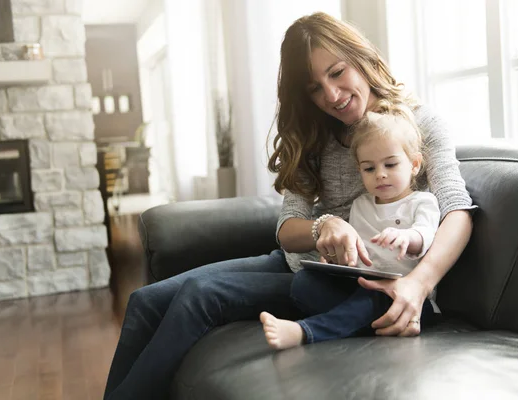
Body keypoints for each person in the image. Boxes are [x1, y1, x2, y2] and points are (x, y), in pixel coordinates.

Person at [103, 12, 475, 400]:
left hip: (346, 283)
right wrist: (324, 225)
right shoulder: (316, 132)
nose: (331, 96)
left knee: (200, 293)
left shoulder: (420, 124)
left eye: (337, 72)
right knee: (144, 301)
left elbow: (457, 211)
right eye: (315, 87)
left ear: (360, 57)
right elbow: (288, 228)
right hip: (300, 263)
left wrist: (418, 284)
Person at [260, 108, 441, 349]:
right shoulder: (361, 205)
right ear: (360, 171)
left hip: (404, 297)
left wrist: (407, 237)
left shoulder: (421, 202)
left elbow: (426, 236)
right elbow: (355, 252)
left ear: (415, 164)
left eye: (390, 164)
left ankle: (304, 332)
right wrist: (335, 260)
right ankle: (354, 320)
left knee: (373, 299)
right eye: (369, 169)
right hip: (363, 285)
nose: (381, 175)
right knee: (305, 282)